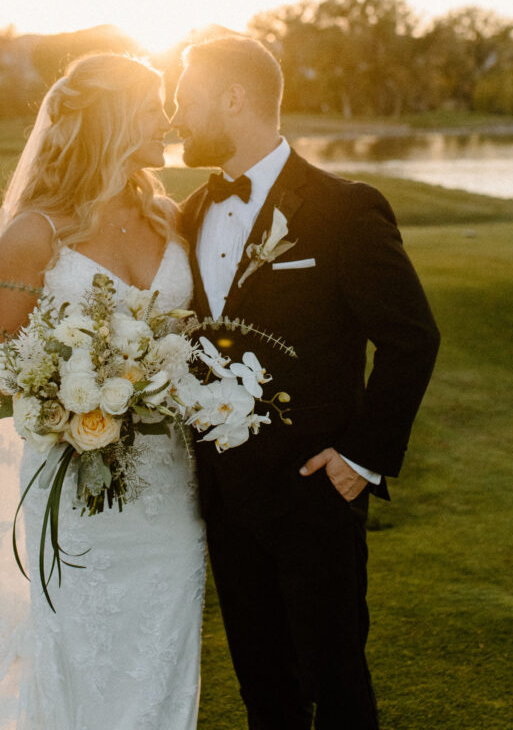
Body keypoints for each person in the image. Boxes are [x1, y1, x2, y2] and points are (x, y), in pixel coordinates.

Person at [175, 36, 440, 730]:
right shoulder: (190, 214)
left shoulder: (343, 208)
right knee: (265, 692)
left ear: (232, 99)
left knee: (338, 688)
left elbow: (411, 339)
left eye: (185, 99)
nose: (175, 116)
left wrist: (360, 458)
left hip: (313, 496)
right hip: (224, 501)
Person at [0, 52, 206, 730]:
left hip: (168, 486)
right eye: (150, 105)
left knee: (163, 644)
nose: (166, 119)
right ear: (113, 119)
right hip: (75, 484)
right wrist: (74, 397)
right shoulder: (36, 234)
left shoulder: (169, 217)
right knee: (80, 648)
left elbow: (193, 337)